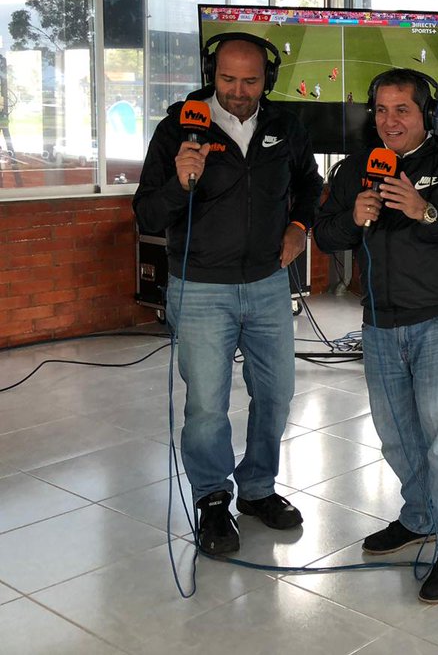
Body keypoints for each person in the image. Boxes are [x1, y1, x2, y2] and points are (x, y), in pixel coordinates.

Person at [133, 35, 322, 556]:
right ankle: (213, 497)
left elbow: (309, 182)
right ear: (212, 74)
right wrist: (179, 181)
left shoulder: (286, 126)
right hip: (199, 289)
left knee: (277, 395)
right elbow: (147, 212)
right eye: (228, 80)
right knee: (208, 408)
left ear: (269, 80)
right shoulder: (178, 128)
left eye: (251, 81)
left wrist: (299, 226)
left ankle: (258, 490)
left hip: (266, 284)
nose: (239, 93)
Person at [314, 68, 438, 605]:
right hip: (380, 326)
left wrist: (423, 209)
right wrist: (353, 216)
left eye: (402, 111)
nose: (389, 122)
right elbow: (325, 234)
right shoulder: (356, 170)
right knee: (397, 436)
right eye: (381, 110)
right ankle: (419, 517)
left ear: (425, 115)